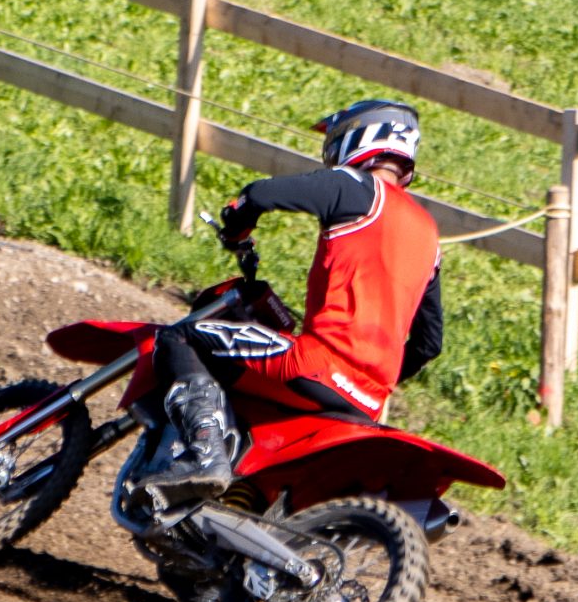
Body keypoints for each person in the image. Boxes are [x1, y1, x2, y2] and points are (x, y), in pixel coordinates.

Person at [135, 99, 446, 509]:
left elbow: (262, 194)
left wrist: (237, 225)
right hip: (367, 399)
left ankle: (204, 456)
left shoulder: (356, 187)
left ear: (359, 138)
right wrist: (361, 382)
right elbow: (428, 343)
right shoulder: (430, 236)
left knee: (179, 339)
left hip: (316, 363)